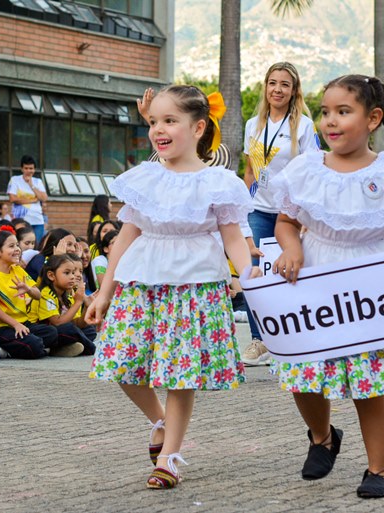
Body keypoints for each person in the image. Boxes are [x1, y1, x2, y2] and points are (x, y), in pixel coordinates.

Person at [269, 75, 384, 498]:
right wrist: (290, 248)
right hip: (314, 277)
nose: (331, 121)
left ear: (373, 119)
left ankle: (380, 469)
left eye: (343, 111)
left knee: (369, 382)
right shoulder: (306, 168)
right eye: (326, 111)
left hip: (371, 281)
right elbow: (286, 222)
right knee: (304, 375)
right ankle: (323, 436)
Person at [85, 85, 258, 489]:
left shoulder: (218, 181)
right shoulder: (146, 177)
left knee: (182, 373)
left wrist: (252, 279)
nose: (159, 130)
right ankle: (160, 421)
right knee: (120, 362)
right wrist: (104, 291)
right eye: (153, 122)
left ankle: (170, 455)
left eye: (170, 121)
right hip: (142, 281)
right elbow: (125, 237)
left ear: (198, 128)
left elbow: (233, 239)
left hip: (194, 286)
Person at [241, 61, 321, 366]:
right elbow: (250, 170)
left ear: (294, 90)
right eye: (272, 83)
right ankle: (259, 340)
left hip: (290, 216)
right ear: (265, 87)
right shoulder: (253, 125)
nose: (277, 89)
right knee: (254, 274)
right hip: (258, 211)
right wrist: (248, 201)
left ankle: (294, 342)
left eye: (284, 84)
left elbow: (313, 172)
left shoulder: (303, 126)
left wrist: (304, 215)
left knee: (291, 275)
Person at [0, 226, 58, 359]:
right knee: (33, 345)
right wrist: (15, 324)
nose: (17, 249)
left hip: (23, 323)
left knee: (52, 332)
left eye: (17, 245)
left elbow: (37, 295)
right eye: (12, 246)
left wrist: (28, 289)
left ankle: (14, 347)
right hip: (1, 326)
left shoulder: (17, 270)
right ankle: (5, 349)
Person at [31, 254, 90, 357]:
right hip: (39, 330)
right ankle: (90, 348)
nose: (73, 276)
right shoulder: (46, 293)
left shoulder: (67, 294)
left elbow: (78, 324)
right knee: (63, 330)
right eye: (67, 273)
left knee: (89, 330)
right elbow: (58, 323)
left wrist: (87, 306)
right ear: (51, 276)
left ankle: (59, 349)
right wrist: (78, 302)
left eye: (73, 272)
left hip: (59, 331)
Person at [7, 155, 48, 243]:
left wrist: (31, 185)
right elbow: (12, 198)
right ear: (22, 169)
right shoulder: (15, 180)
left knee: (36, 246)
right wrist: (33, 200)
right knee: (19, 244)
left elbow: (44, 198)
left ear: (34, 169)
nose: (29, 171)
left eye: (31, 168)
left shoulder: (38, 181)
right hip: (20, 221)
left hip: (37, 220)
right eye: (26, 168)